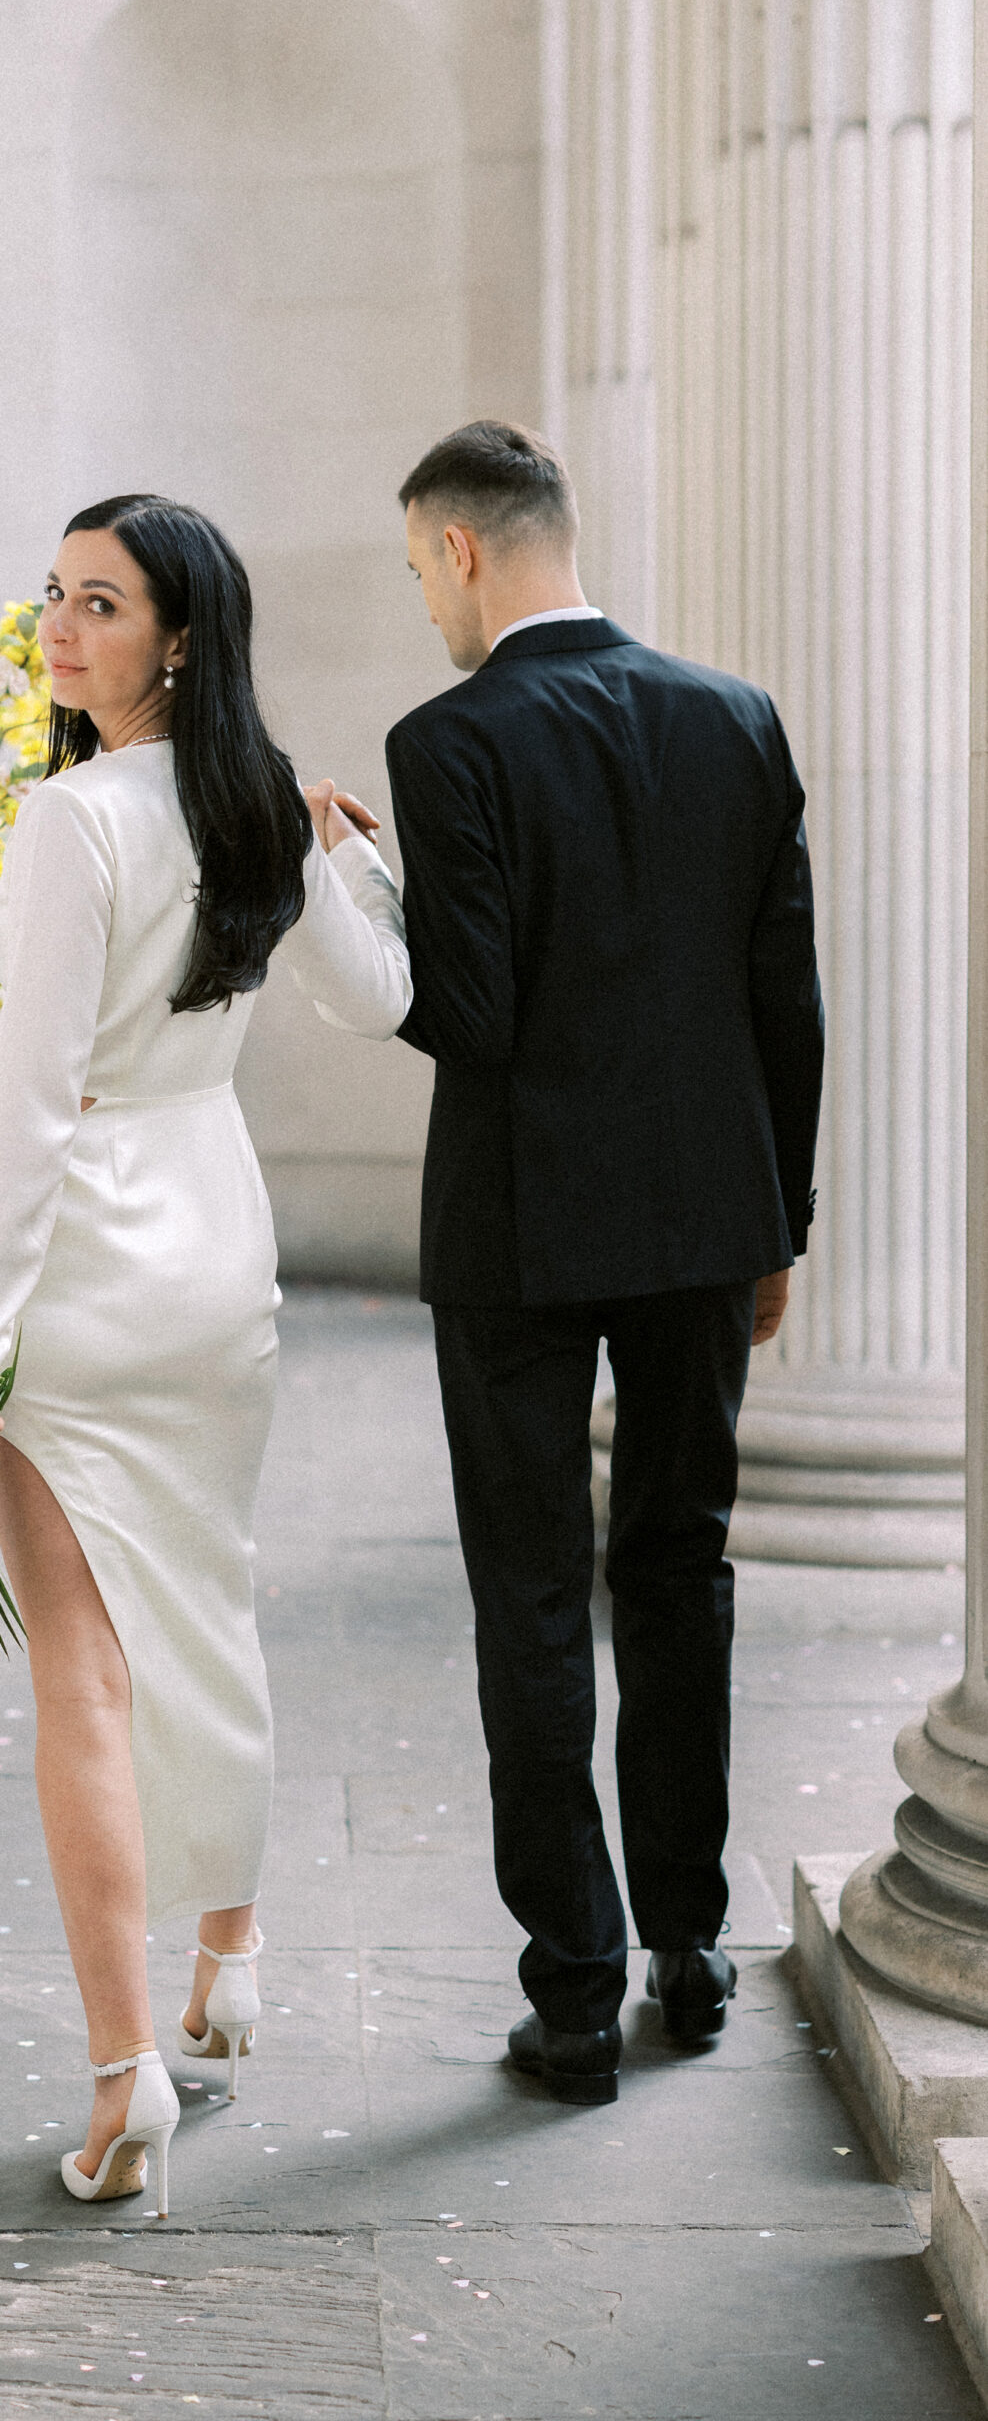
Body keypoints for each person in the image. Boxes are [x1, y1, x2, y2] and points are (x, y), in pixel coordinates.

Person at [0, 494, 412, 2211]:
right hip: (219, 1237)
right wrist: (342, 848)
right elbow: (380, 998)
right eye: (52, 596)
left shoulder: (77, 820)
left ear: (177, 636)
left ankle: (129, 2075)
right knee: (203, 1596)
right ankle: (233, 1953)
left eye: (99, 603)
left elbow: (33, 1110)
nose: (59, 629)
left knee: (83, 1672)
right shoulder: (258, 800)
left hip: (94, 1257)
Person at [384, 420, 825, 2106]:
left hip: (515, 1237)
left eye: (420, 565)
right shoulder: (736, 719)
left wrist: (367, 899)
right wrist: (776, 1222)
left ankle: (572, 1992)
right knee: (680, 1566)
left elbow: (472, 1011)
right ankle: (691, 1945)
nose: (426, 598)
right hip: (708, 1221)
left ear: (463, 553)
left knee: (533, 1592)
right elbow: (785, 998)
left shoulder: (450, 740)